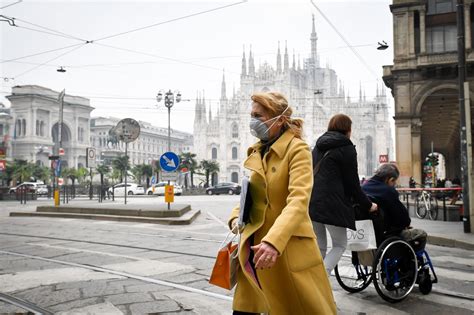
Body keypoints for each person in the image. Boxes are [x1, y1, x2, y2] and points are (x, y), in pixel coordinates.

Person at [228, 92, 336, 315]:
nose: (253, 121)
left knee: (293, 307)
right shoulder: (258, 150)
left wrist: (273, 242)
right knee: (246, 309)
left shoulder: (297, 149)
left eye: (258, 115)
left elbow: (298, 200)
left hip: (285, 247)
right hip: (255, 246)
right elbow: (253, 196)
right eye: (252, 115)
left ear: (278, 118)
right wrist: (235, 217)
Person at [309, 114, 377, 273]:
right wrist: (368, 205)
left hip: (312, 202)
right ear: (348, 129)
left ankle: (312, 284)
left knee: (320, 246)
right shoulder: (346, 148)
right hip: (333, 204)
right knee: (339, 244)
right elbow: (353, 184)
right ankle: (321, 281)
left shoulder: (318, 146)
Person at [362, 163, 427, 250]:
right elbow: (403, 218)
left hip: (364, 234)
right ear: (390, 180)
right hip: (386, 235)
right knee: (421, 234)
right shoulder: (388, 191)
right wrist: (405, 225)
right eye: (394, 181)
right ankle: (412, 260)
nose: (394, 184)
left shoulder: (362, 188)